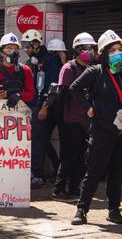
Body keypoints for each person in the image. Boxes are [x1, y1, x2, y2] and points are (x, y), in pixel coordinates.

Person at [70, 30, 122, 225]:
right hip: (101, 131)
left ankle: (114, 210)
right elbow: (74, 88)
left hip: (120, 132)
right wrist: (88, 108)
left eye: (119, 49)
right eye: (112, 50)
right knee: (93, 172)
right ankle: (82, 210)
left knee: (116, 172)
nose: (117, 53)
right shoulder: (96, 72)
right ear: (103, 53)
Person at [52, 33, 97, 202]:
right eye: (86, 48)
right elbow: (63, 94)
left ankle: (74, 188)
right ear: (78, 50)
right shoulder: (69, 68)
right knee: (69, 155)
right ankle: (59, 190)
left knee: (81, 156)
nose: (90, 52)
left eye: (92, 48)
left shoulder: (90, 68)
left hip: (85, 119)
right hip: (69, 119)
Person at [21, 29, 61, 188]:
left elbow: (53, 86)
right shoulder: (30, 62)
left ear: (36, 44)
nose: (25, 48)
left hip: (46, 106)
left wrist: (44, 107)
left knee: (37, 140)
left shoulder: (49, 60)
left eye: (27, 45)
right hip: (33, 106)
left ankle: (38, 176)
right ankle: (57, 168)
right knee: (42, 139)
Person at [0, 33, 35, 106]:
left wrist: (19, 95)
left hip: (19, 113)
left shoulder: (26, 70)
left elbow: (31, 93)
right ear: (1, 52)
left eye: (15, 49)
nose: (13, 52)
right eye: (9, 48)